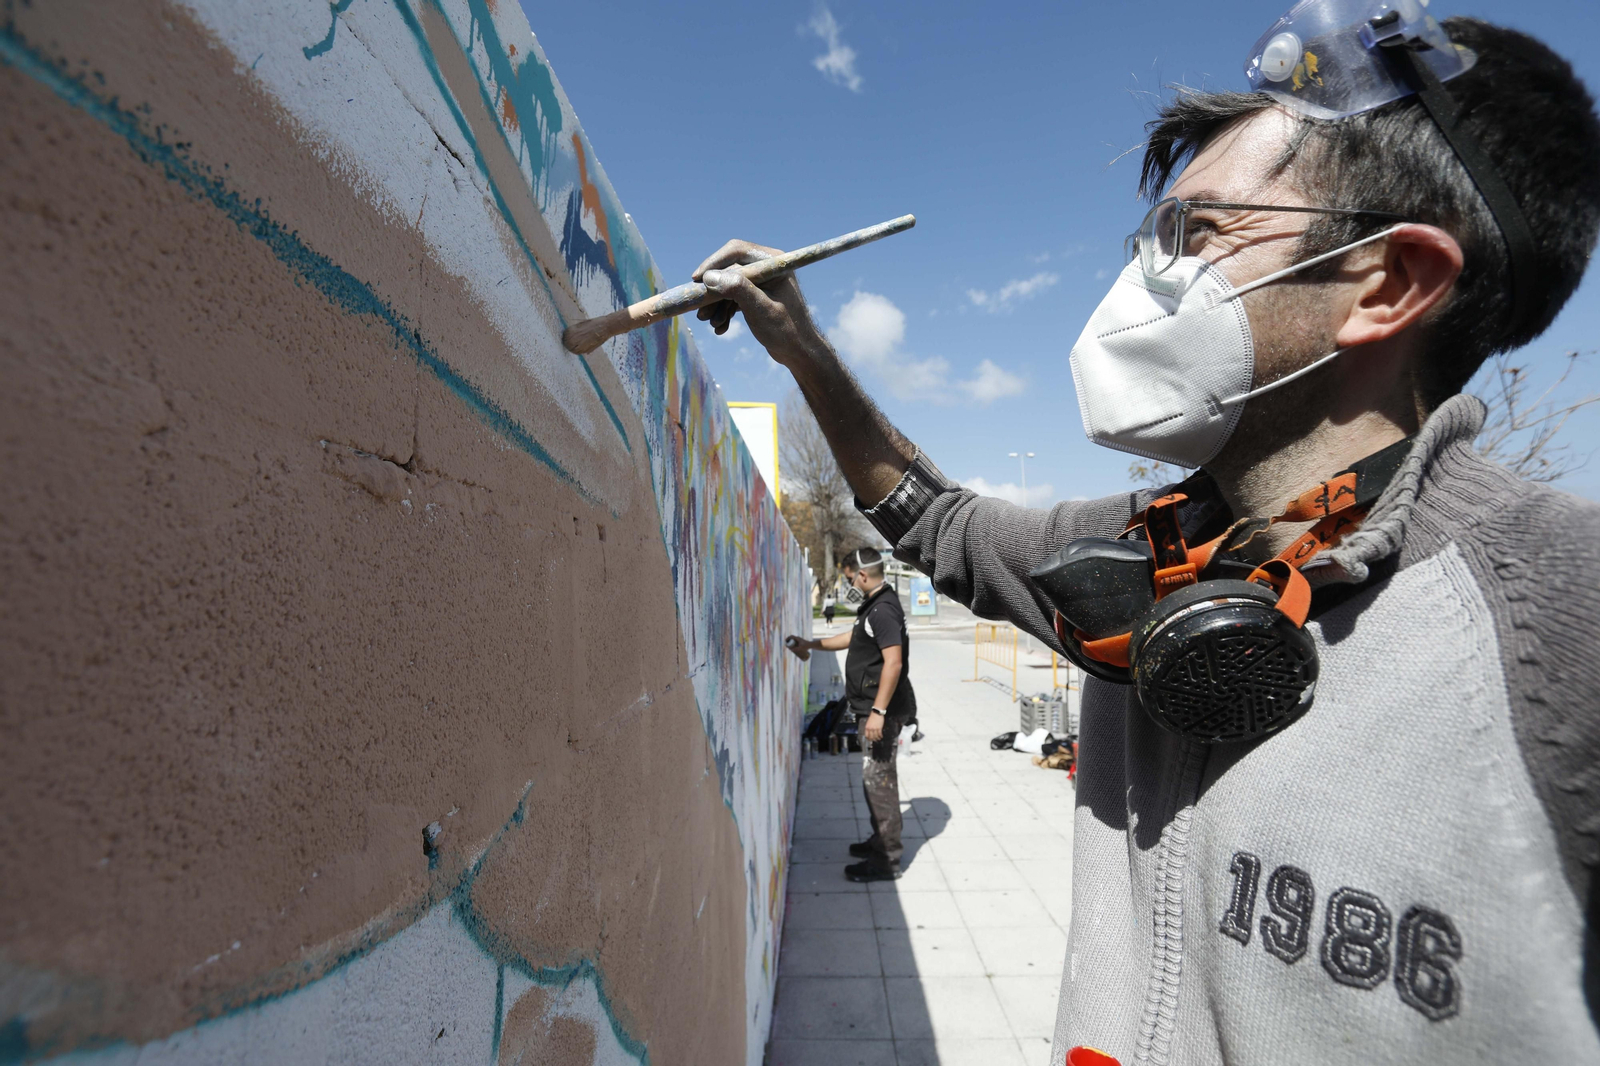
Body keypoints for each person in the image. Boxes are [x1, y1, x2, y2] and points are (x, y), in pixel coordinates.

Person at [701, 5, 1600, 1060]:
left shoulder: (1560, 618)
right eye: (1148, 240)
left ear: (1391, 281)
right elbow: (936, 520)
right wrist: (804, 349)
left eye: (1195, 235)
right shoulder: (1146, 550)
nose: (1141, 284)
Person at [786, 547, 916, 882]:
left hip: (879, 714)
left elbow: (894, 662)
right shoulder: (874, 605)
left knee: (880, 784)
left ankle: (886, 861)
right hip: (873, 709)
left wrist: (878, 712)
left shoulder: (884, 609)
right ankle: (878, 842)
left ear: (861, 574)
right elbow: (853, 637)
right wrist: (811, 644)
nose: (848, 584)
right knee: (874, 781)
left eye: (848, 578)